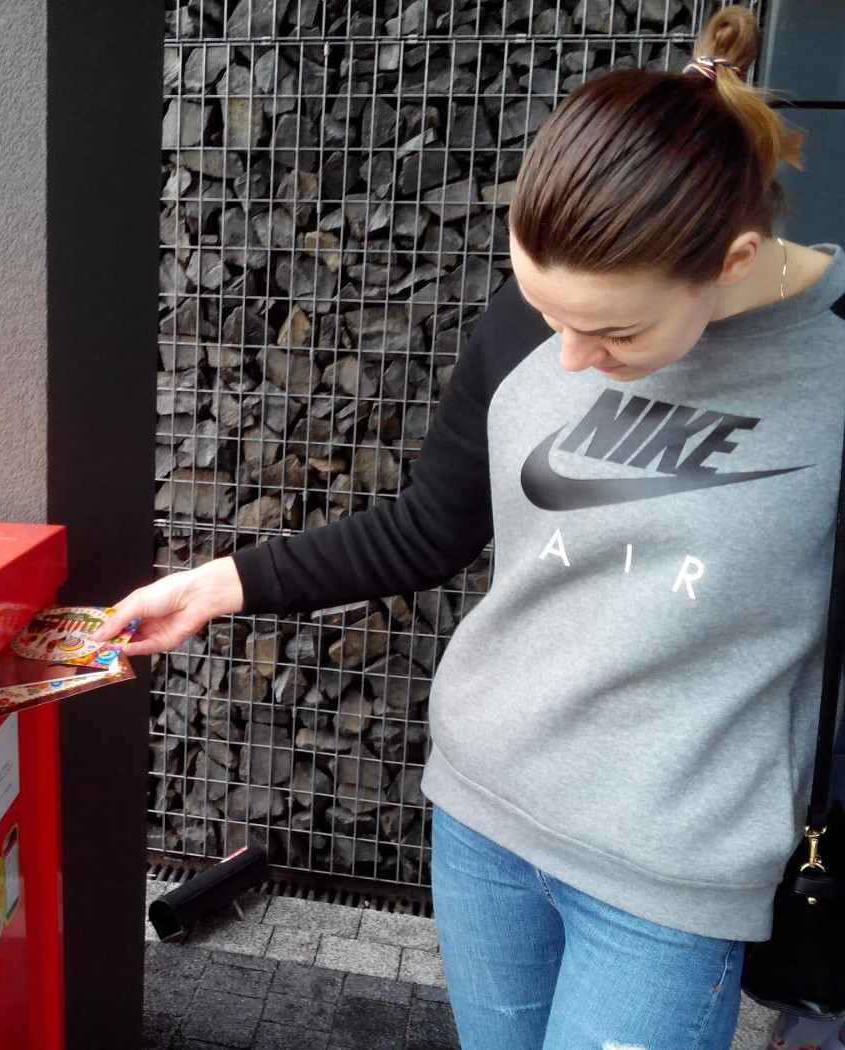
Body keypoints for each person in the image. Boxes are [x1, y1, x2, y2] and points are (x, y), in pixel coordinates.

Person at [98, 6, 845, 1048]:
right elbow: (427, 529)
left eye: (612, 332)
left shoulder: (829, 366)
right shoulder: (542, 310)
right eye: (549, 316)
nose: (570, 358)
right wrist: (214, 586)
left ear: (732, 260)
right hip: (484, 817)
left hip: (670, 876)